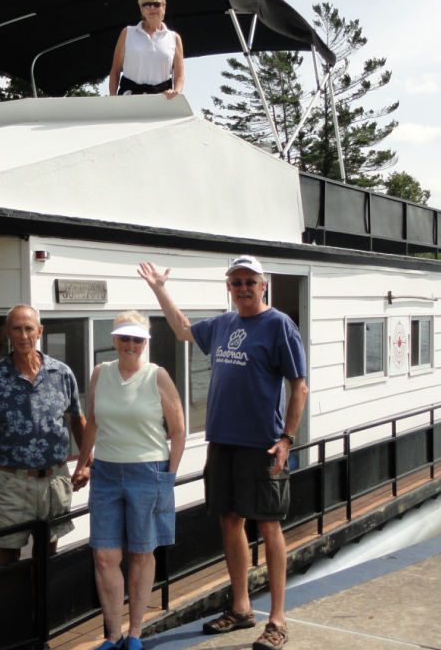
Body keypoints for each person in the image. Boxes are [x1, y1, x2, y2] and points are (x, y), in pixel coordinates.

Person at [138, 256, 307, 650]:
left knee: (268, 525)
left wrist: (287, 439)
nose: (243, 287)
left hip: (262, 443)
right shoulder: (222, 324)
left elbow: (299, 386)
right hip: (223, 442)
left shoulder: (279, 325)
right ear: (228, 287)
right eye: (236, 282)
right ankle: (241, 607)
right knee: (230, 522)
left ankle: (278, 620)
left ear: (263, 285)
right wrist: (160, 289)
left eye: (250, 281)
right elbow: (181, 330)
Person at [72, 312, 185, 650]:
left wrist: (169, 477)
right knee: (105, 556)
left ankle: (134, 634)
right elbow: (92, 422)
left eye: (137, 339)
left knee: (140, 553)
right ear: (114, 340)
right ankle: (113, 634)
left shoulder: (158, 376)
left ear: (145, 342)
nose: (130, 344)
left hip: (147, 472)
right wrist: (82, 464)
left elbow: (178, 431)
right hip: (105, 473)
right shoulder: (99, 374)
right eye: (125, 338)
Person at [0, 305, 86, 565]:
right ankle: (11, 606)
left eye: (29, 328)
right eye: (17, 329)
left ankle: (39, 606)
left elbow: (79, 421)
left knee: (48, 555)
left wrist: (86, 464)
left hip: (55, 480)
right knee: (7, 556)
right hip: (10, 483)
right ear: (7, 333)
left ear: (39, 331)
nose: (23, 335)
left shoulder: (62, 374)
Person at [109, 0, 185, 98]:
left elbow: (179, 76)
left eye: (156, 4)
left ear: (164, 7)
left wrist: (176, 92)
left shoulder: (174, 38)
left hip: (161, 101)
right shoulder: (127, 33)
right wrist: (113, 98)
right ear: (141, 9)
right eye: (147, 5)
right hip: (128, 99)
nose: (152, 8)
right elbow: (115, 70)